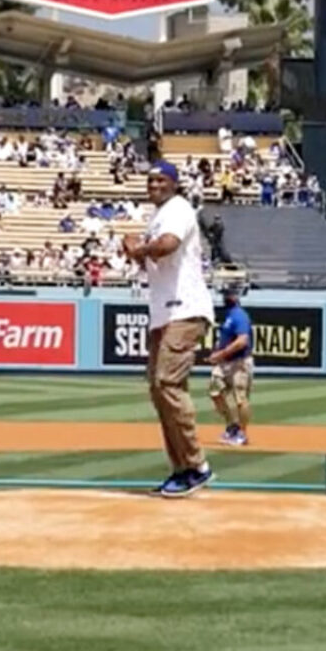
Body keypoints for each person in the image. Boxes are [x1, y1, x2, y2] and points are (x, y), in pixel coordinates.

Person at [122, 161, 215, 498]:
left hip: (185, 309)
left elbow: (168, 245)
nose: (155, 185)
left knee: (166, 382)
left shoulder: (178, 208)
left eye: (161, 180)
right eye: (150, 180)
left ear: (174, 184)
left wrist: (140, 247)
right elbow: (153, 257)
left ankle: (197, 465)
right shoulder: (159, 215)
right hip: (164, 312)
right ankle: (182, 469)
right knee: (159, 391)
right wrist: (133, 249)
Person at [207, 286, 254, 446]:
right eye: (226, 295)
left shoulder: (240, 315)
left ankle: (242, 433)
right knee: (215, 392)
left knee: (240, 398)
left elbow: (242, 341)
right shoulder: (228, 315)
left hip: (239, 362)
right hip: (225, 363)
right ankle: (232, 426)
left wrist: (221, 354)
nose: (227, 298)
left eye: (230, 295)